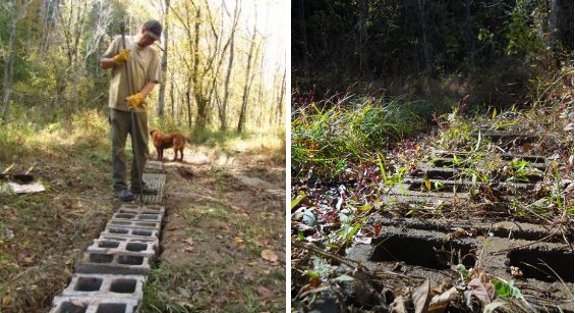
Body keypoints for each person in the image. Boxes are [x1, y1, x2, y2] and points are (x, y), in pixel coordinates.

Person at [100, 20, 162, 201]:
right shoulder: (121, 41)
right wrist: (116, 59)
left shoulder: (153, 54)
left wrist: (140, 97)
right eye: (149, 37)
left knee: (142, 148)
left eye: (154, 40)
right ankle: (120, 187)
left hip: (138, 108)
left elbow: (152, 81)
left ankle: (137, 184)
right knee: (118, 148)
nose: (150, 42)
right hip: (118, 105)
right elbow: (103, 63)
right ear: (141, 29)